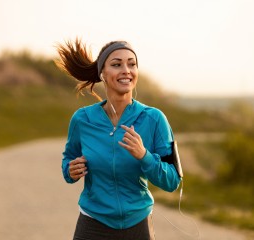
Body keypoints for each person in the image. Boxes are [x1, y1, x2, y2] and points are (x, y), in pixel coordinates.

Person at [56, 38, 182, 240]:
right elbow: (68, 161)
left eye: (132, 64)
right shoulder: (82, 119)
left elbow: (172, 181)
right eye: (116, 64)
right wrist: (70, 171)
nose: (126, 70)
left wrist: (144, 156)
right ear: (102, 74)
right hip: (92, 223)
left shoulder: (154, 119)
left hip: (137, 224)